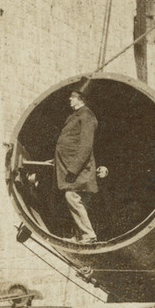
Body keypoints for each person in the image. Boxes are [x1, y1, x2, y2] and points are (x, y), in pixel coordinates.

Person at [54, 78, 99, 244]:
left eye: (73, 97)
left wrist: (73, 168)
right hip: (71, 167)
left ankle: (89, 235)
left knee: (72, 196)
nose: (69, 99)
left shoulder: (86, 116)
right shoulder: (77, 115)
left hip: (79, 169)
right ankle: (80, 235)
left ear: (82, 99)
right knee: (78, 199)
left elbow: (86, 146)